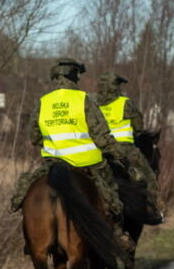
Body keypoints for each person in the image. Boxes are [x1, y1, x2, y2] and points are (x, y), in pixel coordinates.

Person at [10, 58, 133, 252]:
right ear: (75, 76)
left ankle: (30, 239)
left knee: (23, 193)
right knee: (112, 199)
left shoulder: (43, 102)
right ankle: (118, 236)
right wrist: (121, 156)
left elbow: (34, 136)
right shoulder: (84, 100)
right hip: (88, 164)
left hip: (53, 164)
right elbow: (101, 137)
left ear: (55, 77)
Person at [95, 71, 160, 209]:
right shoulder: (124, 103)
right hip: (124, 149)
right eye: (118, 85)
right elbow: (139, 127)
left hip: (99, 149)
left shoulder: (93, 103)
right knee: (149, 176)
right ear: (115, 87)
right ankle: (154, 209)